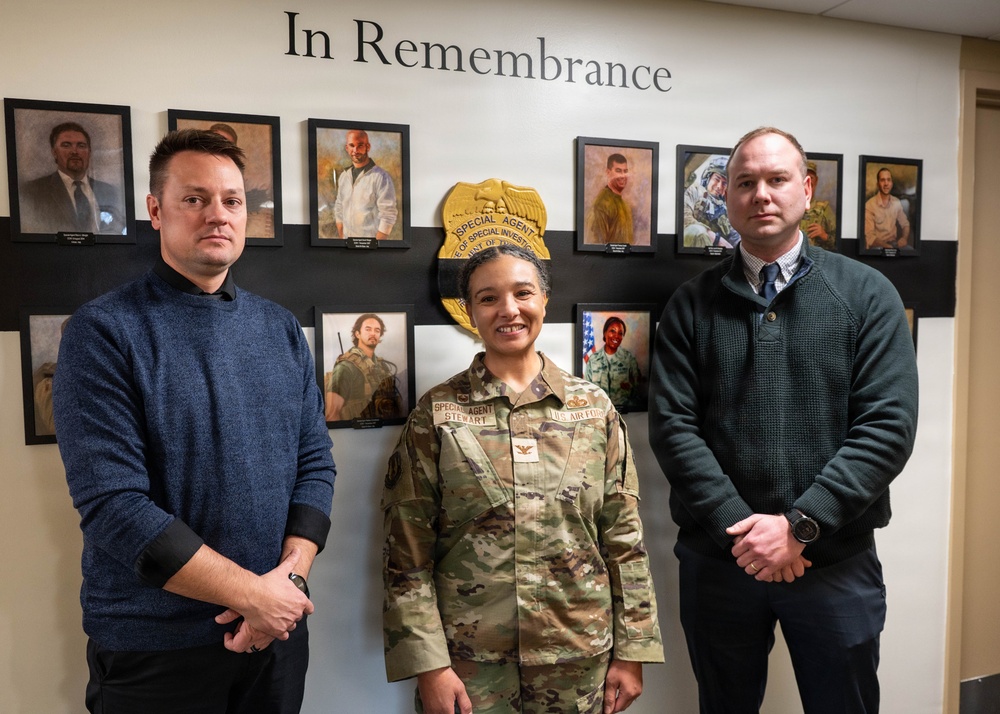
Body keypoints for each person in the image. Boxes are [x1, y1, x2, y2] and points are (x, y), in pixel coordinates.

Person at [52, 129, 336, 714]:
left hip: (275, 635)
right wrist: (253, 595)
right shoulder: (103, 331)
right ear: (156, 211)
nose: (218, 215)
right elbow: (114, 506)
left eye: (232, 200)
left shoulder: (280, 329)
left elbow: (315, 463)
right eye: (194, 198)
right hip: (155, 650)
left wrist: (288, 582)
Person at [648, 127, 918, 713]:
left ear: (807, 188)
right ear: (727, 195)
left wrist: (800, 526)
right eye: (745, 182)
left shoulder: (867, 295)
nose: (762, 195)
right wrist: (744, 531)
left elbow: (887, 427)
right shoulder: (691, 304)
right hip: (722, 561)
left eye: (777, 179)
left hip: (834, 562)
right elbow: (673, 428)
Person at [382, 243, 663, 714]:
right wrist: (429, 667)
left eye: (523, 293)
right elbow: (406, 555)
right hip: (471, 665)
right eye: (488, 298)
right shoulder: (437, 414)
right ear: (470, 311)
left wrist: (633, 650)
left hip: (578, 657)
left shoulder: (593, 410)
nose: (508, 309)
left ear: (544, 300)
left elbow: (624, 540)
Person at [19, 121, 125, 234]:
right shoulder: (33, 192)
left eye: (81, 146)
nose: (75, 151)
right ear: (54, 152)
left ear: (89, 152)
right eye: (66, 145)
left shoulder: (110, 192)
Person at [324, 312, 404, 422]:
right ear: (357, 334)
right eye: (368, 329)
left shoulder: (381, 366)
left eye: (377, 330)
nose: (373, 333)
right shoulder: (346, 367)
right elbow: (332, 415)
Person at [333, 129, 398, 239]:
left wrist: (377, 245)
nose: (355, 150)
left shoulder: (381, 177)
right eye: (352, 145)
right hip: (347, 244)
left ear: (368, 147)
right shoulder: (344, 176)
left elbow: (388, 214)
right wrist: (342, 238)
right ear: (347, 148)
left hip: (370, 244)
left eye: (360, 145)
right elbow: (339, 208)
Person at [584, 316, 642, 410]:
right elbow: (586, 389)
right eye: (612, 331)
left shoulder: (629, 359)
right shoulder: (593, 359)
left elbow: (639, 389)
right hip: (599, 411)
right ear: (605, 333)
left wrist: (630, 387)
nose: (616, 336)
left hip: (625, 413)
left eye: (620, 333)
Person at [682, 156, 739, 249]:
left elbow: (736, 238)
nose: (719, 186)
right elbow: (684, 218)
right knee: (697, 230)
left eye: (724, 183)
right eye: (717, 179)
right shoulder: (694, 191)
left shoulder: (727, 210)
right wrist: (716, 239)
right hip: (691, 245)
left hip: (717, 254)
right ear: (708, 177)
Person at [589, 153, 634, 244]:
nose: (623, 176)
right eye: (618, 171)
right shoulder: (602, 204)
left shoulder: (625, 205)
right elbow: (597, 243)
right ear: (608, 172)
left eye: (625, 171)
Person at [864, 166, 911, 250]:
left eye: (888, 180)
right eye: (882, 180)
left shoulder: (896, 202)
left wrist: (904, 238)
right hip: (877, 247)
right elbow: (870, 237)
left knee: (909, 250)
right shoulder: (869, 205)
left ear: (891, 183)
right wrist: (888, 247)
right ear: (878, 184)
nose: (886, 183)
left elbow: (905, 224)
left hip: (893, 244)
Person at [800, 160, 836, 250]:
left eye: (811, 177)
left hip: (816, 255)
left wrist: (824, 235)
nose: (808, 181)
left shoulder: (824, 208)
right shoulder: (789, 207)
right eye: (805, 177)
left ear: (816, 181)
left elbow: (837, 242)